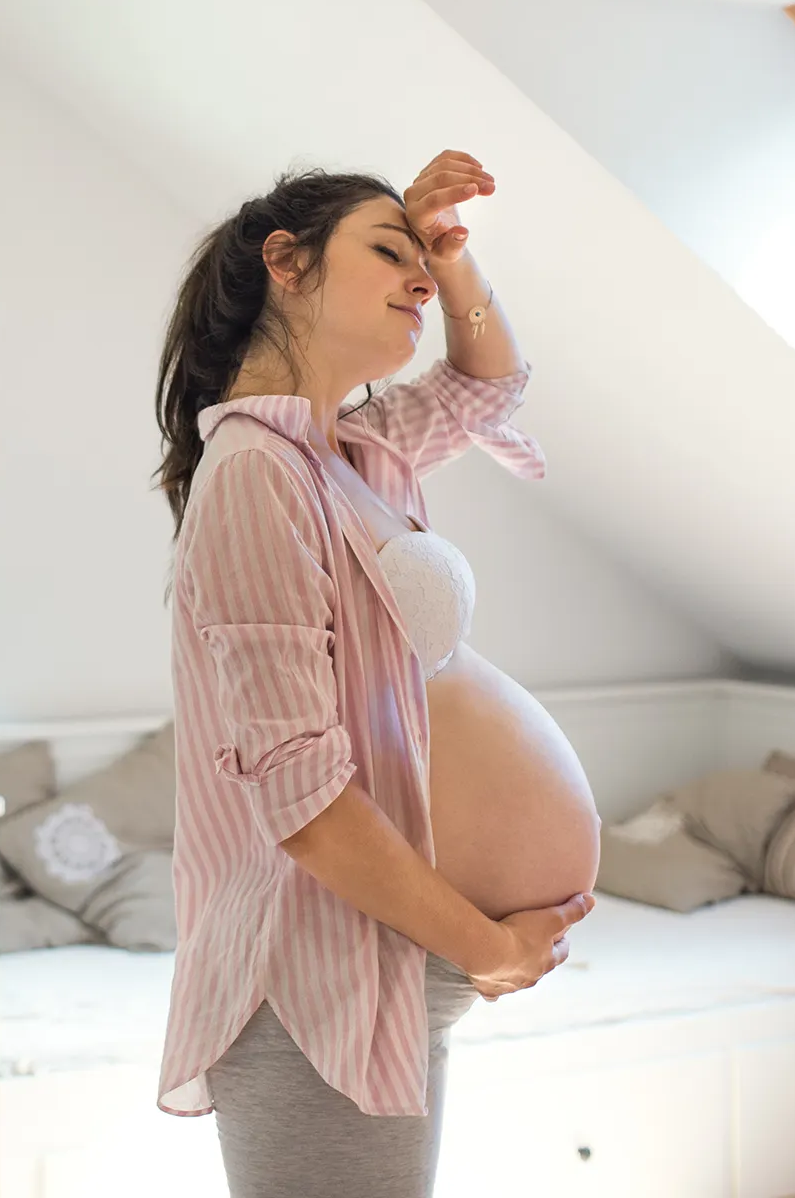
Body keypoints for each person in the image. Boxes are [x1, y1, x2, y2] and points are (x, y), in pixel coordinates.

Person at [152, 152, 602, 1197]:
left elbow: (490, 385)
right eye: (389, 251)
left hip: (384, 955)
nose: (418, 278)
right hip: (315, 973)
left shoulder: (347, 453)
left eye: (421, 260)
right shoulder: (255, 473)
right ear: (285, 263)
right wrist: (487, 947)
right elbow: (301, 801)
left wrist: (451, 257)